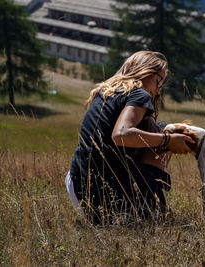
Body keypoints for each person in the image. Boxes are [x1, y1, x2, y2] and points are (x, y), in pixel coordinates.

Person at [65, 51, 194, 224]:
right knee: (163, 137)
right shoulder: (139, 93)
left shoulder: (105, 92)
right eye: (157, 81)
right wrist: (168, 140)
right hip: (102, 193)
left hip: (78, 184)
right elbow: (121, 134)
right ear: (144, 72)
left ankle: (146, 203)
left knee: (160, 129)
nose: (157, 91)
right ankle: (152, 205)